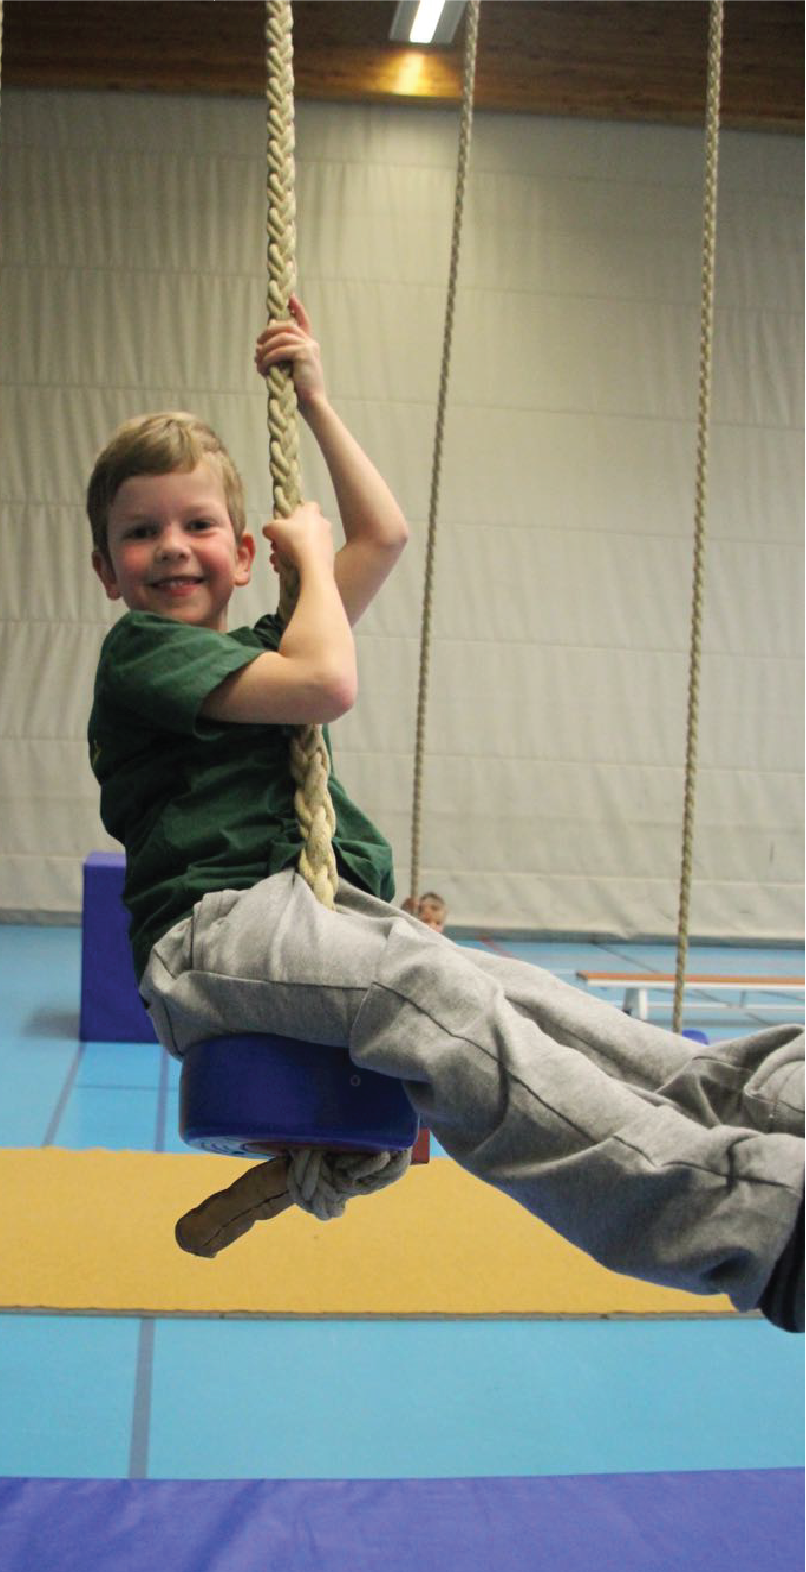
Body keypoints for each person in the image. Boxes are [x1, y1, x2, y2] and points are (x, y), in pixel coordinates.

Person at [87, 300, 803, 1334]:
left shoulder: (260, 642)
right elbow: (328, 683)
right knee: (423, 993)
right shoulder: (141, 654)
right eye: (140, 532)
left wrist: (316, 402)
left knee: (544, 1010)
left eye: (196, 525)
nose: (171, 548)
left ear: (241, 553)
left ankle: (777, 1099)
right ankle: (754, 1221)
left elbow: (384, 535)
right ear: (107, 570)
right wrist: (311, 563)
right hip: (210, 937)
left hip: (315, 917)